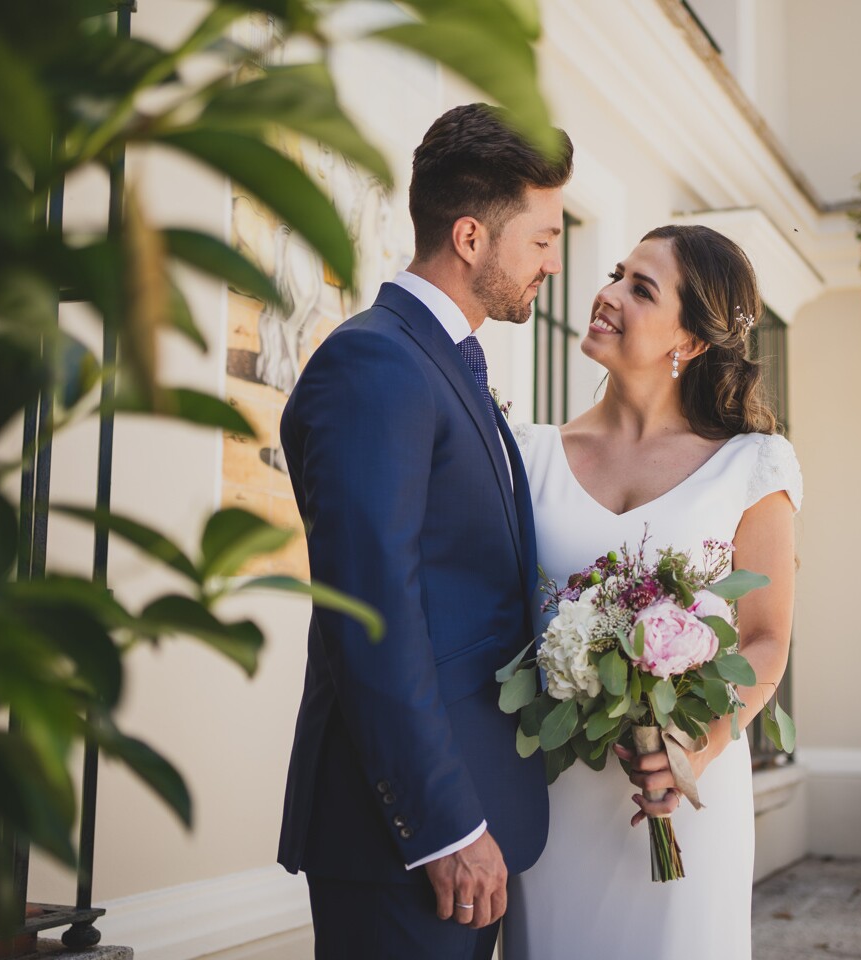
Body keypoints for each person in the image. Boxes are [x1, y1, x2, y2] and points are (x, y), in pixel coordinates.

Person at [275, 103, 573, 960]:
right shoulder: (376, 362)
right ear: (472, 237)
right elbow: (373, 611)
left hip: (474, 823)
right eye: (543, 239)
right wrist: (443, 826)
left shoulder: (443, 363)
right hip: (410, 843)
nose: (553, 264)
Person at [503, 225, 801, 959]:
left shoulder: (751, 465)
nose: (606, 295)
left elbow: (765, 639)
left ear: (690, 340)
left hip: (688, 800)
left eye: (640, 289)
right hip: (556, 800)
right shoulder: (528, 455)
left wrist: (699, 747)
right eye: (616, 274)